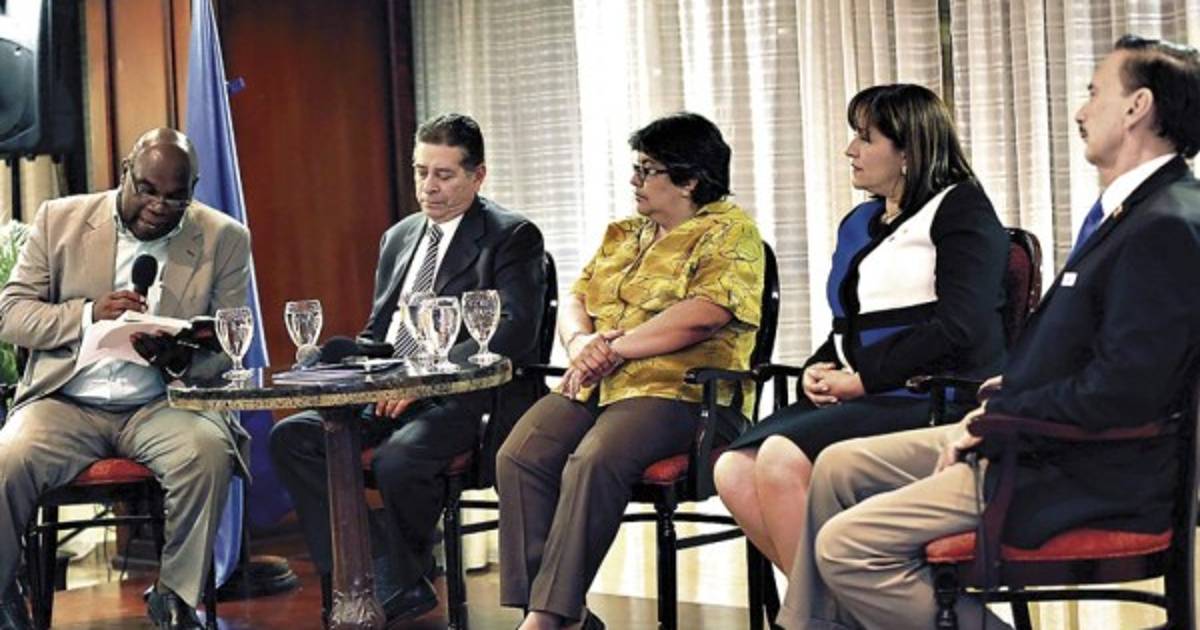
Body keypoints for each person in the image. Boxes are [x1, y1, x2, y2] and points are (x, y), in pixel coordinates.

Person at [778, 35, 1200, 629]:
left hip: (1081, 466)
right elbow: (1099, 354)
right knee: (836, 469)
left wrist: (1000, 419)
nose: (1081, 110)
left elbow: (1128, 390)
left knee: (848, 547)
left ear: (1137, 107)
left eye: (1094, 92)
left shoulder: (1167, 224)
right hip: (1043, 437)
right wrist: (1009, 393)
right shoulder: (1135, 211)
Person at [714, 83, 1008, 572]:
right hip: (865, 392)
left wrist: (863, 379)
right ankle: (838, 606)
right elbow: (849, 320)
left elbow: (961, 325)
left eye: (865, 138)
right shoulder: (860, 221)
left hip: (929, 393)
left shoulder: (961, 209)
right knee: (732, 468)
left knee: (781, 458)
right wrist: (817, 367)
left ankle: (814, 610)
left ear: (908, 151)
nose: (850, 150)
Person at [268, 113, 546, 625]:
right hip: (387, 387)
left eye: (444, 174)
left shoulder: (511, 236)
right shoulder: (398, 237)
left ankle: (396, 577)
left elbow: (514, 331)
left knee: (399, 459)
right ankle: (382, 574)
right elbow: (379, 333)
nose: (428, 187)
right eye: (421, 172)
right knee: (293, 437)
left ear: (478, 176)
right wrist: (335, 358)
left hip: (465, 396)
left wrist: (423, 380)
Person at [497, 112, 765, 630]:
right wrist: (582, 343)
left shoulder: (731, 233)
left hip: (683, 395)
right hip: (600, 383)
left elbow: (705, 314)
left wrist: (615, 349)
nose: (634, 180)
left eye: (647, 170)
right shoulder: (623, 233)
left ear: (689, 180)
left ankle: (546, 618)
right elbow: (576, 299)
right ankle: (567, 617)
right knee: (519, 454)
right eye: (636, 168)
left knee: (593, 459)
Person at [0, 128, 251, 630]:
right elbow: (11, 314)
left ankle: (175, 597)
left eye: (175, 197)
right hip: (66, 401)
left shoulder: (224, 238)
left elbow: (229, 343)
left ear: (193, 190)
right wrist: (88, 315)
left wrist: (177, 358)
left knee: (207, 451)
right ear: (125, 174)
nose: (158, 206)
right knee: (7, 458)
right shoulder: (59, 220)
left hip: (161, 404)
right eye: (148, 190)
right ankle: (4, 594)